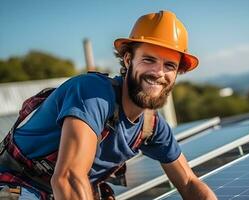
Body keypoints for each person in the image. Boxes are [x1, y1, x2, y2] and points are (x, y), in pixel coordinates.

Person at [0, 10, 217, 200]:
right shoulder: (93, 93)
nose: (158, 73)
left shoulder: (151, 126)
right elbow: (68, 178)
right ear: (128, 60)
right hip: (18, 184)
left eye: (169, 65)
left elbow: (189, 183)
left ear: (177, 73)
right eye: (149, 60)